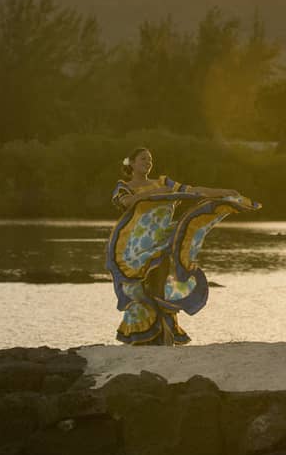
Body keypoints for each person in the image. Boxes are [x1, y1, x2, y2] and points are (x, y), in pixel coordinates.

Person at [105, 147, 260, 345]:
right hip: (134, 245)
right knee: (141, 288)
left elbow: (193, 190)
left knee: (162, 279)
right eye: (143, 159)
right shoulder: (124, 186)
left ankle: (165, 333)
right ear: (132, 163)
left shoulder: (163, 182)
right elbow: (126, 203)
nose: (148, 162)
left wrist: (223, 192)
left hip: (162, 239)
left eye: (150, 159)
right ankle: (146, 333)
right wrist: (153, 194)